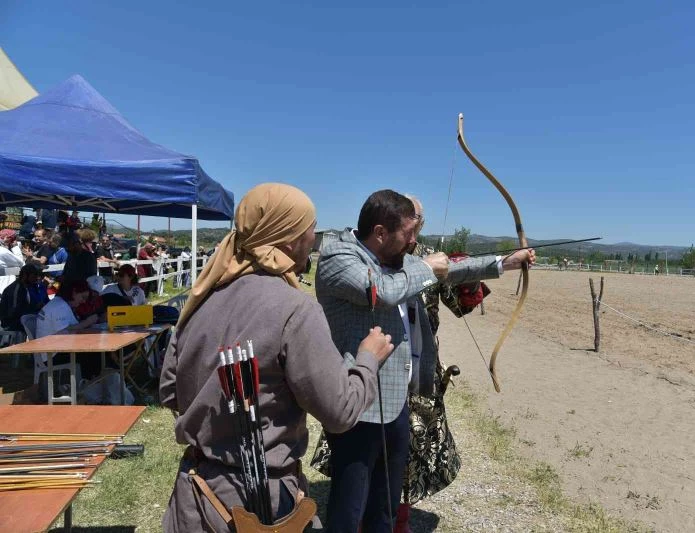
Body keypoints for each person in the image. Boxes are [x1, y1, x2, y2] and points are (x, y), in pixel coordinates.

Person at [159, 183, 394, 532]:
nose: (313, 238)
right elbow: (340, 412)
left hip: (195, 493)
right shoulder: (295, 309)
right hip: (258, 505)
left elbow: (169, 391)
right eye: (309, 229)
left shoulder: (202, 297)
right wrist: (367, 360)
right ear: (287, 237)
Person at [315, 190, 534, 532]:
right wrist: (427, 268)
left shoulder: (400, 259)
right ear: (380, 232)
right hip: (358, 404)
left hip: (396, 402)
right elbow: (383, 291)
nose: (415, 241)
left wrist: (504, 262)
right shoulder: (339, 256)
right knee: (349, 507)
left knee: (385, 506)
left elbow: (454, 269)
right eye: (409, 233)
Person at [0, 263, 47, 332]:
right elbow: (14, 313)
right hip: (12, 328)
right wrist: (34, 308)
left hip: (24, 323)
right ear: (25, 275)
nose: (37, 278)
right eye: (34, 275)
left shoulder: (28, 287)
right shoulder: (15, 290)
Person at [0, 229, 25, 294]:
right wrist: (15, 247)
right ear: (7, 238)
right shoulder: (3, 252)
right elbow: (21, 263)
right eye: (12, 239)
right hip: (4, 286)